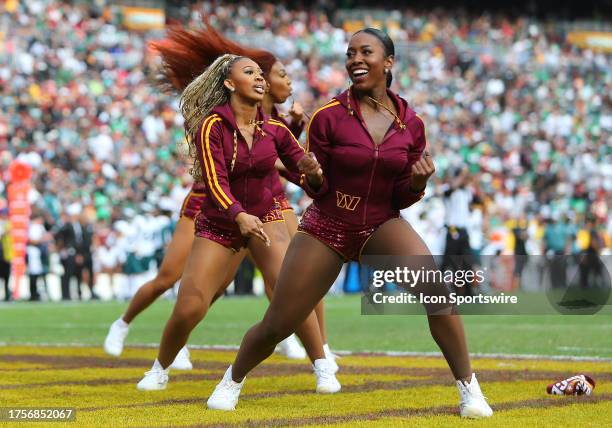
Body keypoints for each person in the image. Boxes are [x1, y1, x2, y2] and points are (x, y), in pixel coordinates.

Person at [207, 28, 493, 419]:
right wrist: (314, 175)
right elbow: (315, 189)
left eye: (366, 52)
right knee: (278, 324)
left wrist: (417, 184)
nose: (355, 59)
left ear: (388, 62)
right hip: (328, 226)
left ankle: (470, 391)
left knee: (438, 293)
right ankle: (232, 380)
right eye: (350, 53)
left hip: (381, 223)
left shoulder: (412, 124)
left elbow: (400, 197)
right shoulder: (327, 117)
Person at [103, 26, 328, 364]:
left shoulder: (277, 122)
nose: (289, 82)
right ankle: (123, 324)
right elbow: (264, 166)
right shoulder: (218, 122)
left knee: (289, 274)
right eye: (282, 74)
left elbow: (277, 160)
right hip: (210, 204)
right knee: (172, 279)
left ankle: (316, 350)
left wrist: (308, 162)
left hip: (260, 206)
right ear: (251, 80)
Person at [135, 53, 340, 394]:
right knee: (190, 306)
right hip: (221, 222)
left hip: (265, 217)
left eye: (261, 73)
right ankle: (160, 367)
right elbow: (215, 182)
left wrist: (314, 173)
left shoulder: (275, 130)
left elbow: (305, 179)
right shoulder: (211, 126)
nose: (260, 78)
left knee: (291, 291)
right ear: (229, 83)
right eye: (250, 73)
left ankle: (322, 366)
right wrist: (238, 214)